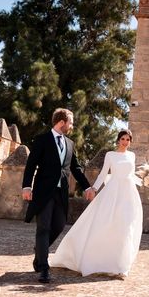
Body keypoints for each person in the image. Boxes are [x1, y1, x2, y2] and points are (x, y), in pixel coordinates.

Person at [51, 129, 143, 278]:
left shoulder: (132, 156)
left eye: (128, 140)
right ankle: (100, 260)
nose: (125, 142)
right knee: (105, 224)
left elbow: (131, 175)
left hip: (129, 194)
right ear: (118, 140)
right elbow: (103, 174)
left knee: (126, 226)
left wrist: (148, 180)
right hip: (113, 192)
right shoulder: (111, 155)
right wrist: (93, 188)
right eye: (123, 139)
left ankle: (121, 266)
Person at [22, 108, 95, 283]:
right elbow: (31, 165)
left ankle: (40, 252)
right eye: (70, 122)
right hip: (43, 192)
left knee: (60, 225)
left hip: (60, 193)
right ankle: (44, 268)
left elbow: (75, 168)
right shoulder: (42, 140)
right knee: (44, 228)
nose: (72, 126)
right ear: (62, 122)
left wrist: (87, 187)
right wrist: (26, 186)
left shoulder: (69, 144)